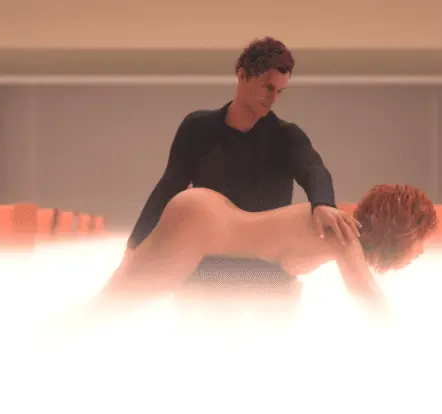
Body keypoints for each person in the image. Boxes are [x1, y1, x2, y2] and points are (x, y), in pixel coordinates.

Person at [124, 37, 357, 301]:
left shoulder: (286, 136)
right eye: (267, 87)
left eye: (279, 91)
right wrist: (134, 245)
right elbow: (169, 187)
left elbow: (314, 170)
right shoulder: (198, 128)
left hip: (269, 279)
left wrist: (323, 203)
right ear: (242, 75)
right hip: (205, 275)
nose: (273, 99)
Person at [102, 184, 438, 309]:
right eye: (419, 241)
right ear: (399, 234)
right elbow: (372, 304)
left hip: (204, 215)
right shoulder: (344, 239)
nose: (420, 252)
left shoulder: (341, 231)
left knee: (116, 297)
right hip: (200, 225)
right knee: (112, 305)